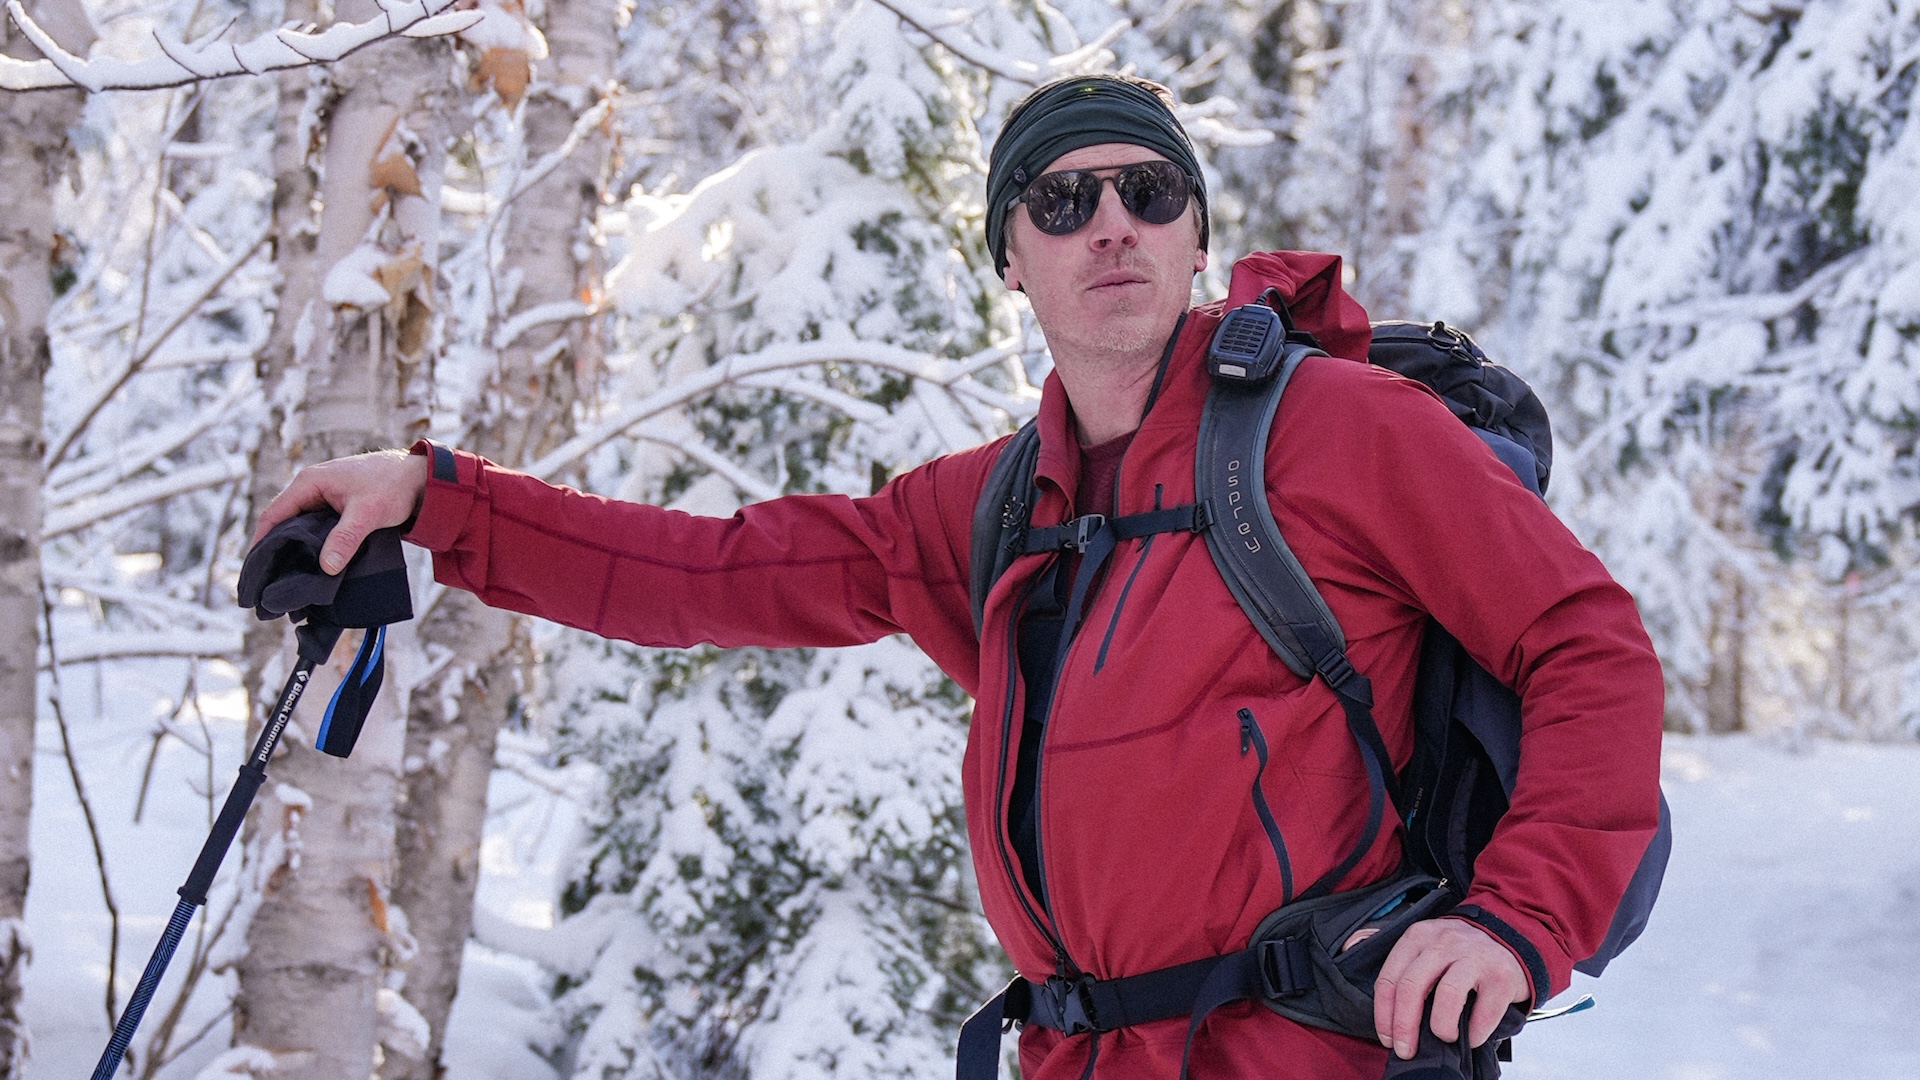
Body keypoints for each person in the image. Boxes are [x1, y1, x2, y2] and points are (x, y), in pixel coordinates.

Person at [257, 75, 1664, 1079]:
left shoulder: (1343, 431)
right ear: (1011, 257)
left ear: (1192, 238)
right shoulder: (999, 510)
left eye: (1148, 190)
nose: (1110, 221)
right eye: (1063, 199)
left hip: (1314, 1051)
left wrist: (1517, 919)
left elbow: (1587, 645)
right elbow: (716, 570)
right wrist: (441, 504)